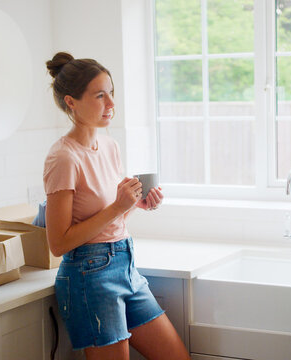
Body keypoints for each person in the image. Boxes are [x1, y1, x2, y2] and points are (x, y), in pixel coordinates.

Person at [43, 52, 190, 360]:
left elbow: (110, 213)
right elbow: (58, 243)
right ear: (71, 102)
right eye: (100, 95)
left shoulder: (109, 145)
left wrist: (137, 203)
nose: (111, 104)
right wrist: (117, 207)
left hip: (125, 263)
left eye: (111, 93)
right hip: (89, 275)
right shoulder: (63, 158)